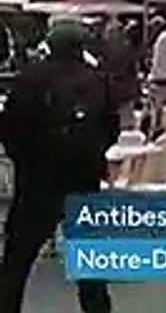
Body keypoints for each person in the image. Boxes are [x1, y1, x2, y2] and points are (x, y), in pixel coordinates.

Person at [0, 19, 116, 313]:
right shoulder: (97, 80)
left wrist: (24, 160)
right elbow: (111, 127)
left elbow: (9, 128)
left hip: (38, 181)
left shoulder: (30, 78)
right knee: (91, 271)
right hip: (83, 181)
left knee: (17, 263)